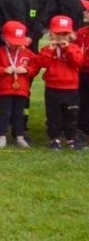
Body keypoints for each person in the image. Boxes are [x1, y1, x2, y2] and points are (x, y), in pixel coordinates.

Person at [43, 0, 88, 146]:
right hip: (66, 42)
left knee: (85, 85)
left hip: (86, 41)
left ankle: (82, 126)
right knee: (67, 84)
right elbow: (47, 16)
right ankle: (60, 127)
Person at [0, 20, 39, 149]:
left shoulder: (27, 53)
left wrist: (27, 70)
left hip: (21, 90)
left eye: (18, 42)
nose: (16, 46)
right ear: (4, 38)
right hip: (4, 90)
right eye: (13, 42)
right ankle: (1, 136)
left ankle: (19, 136)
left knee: (19, 113)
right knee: (4, 113)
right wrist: (3, 70)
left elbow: (36, 64)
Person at [36, 16, 84, 150]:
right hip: (53, 88)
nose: (61, 37)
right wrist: (50, 51)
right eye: (58, 33)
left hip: (70, 88)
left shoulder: (74, 48)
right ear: (51, 33)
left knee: (72, 115)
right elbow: (41, 64)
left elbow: (78, 62)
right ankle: (54, 139)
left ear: (71, 34)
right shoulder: (47, 49)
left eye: (65, 34)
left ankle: (71, 139)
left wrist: (67, 49)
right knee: (53, 116)